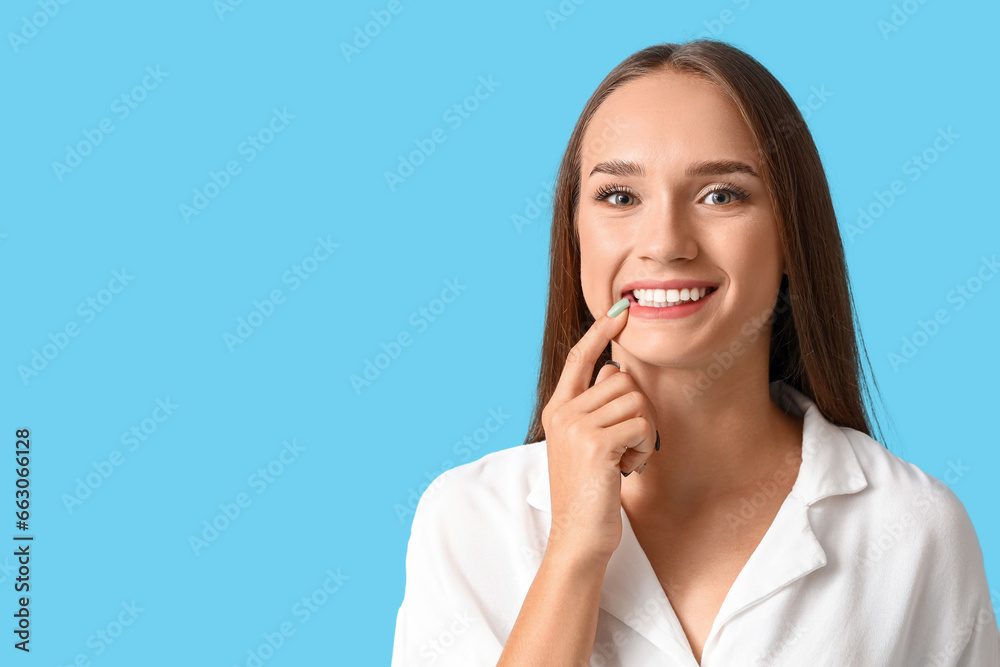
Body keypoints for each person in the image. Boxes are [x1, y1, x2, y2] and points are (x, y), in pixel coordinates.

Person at [389, 39, 1000, 666]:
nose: (665, 243)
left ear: (792, 234)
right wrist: (573, 548)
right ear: (574, 238)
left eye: (720, 195)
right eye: (620, 197)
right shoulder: (465, 522)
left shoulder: (914, 529)